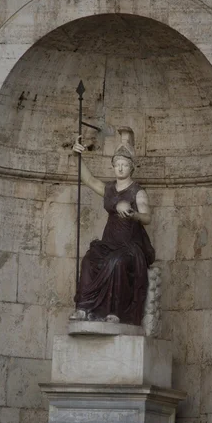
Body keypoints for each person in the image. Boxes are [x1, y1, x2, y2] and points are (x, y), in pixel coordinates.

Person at [71, 127, 155, 325]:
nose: (120, 168)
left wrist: (133, 214)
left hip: (129, 246)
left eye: (124, 164)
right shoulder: (109, 189)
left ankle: (115, 312)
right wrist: (77, 157)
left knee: (116, 263)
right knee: (89, 260)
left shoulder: (137, 192)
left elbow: (147, 217)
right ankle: (84, 308)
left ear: (131, 167)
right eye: (117, 164)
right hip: (109, 242)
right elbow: (89, 180)